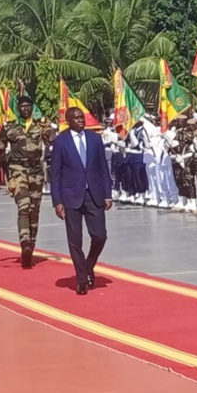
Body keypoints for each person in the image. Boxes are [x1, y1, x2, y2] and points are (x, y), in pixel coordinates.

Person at [50, 107, 113, 296]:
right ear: (68, 121)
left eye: (82, 117)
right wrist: (57, 201)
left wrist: (108, 194)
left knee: (100, 235)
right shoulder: (61, 142)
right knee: (75, 240)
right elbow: (55, 175)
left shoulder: (95, 139)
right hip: (71, 196)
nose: (80, 120)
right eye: (76, 118)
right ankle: (81, 279)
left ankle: (88, 265)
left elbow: (103, 167)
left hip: (94, 194)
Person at [0, 96, 45, 269]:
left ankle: (32, 246)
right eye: (22, 107)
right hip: (17, 170)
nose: (26, 109)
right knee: (24, 206)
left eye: (28, 106)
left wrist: (52, 134)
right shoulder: (9, 127)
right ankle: (25, 244)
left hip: (36, 172)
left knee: (34, 210)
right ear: (18, 109)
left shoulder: (41, 124)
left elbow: (52, 137)